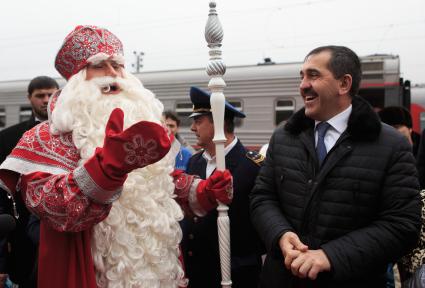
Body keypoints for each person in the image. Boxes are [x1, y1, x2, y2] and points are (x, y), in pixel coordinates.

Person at [0, 25, 232, 288]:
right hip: (92, 274)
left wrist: (200, 191)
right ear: (77, 79)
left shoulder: (139, 124)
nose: (113, 74)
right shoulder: (47, 136)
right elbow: (53, 208)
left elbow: (159, 186)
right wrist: (104, 171)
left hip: (155, 272)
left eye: (117, 65)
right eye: (99, 65)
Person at [249, 45, 421, 288]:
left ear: (344, 84)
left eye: (313, 75)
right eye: (302, 76)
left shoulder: (390, 145)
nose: (303, 85)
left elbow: (402, 224)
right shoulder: (284, 137)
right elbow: (262, 197)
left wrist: (331, 256)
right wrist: (281, 234)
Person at [179, 86, 265, 288]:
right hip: (198, 272)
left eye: (198, 121)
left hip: (236, 274)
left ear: (219, 123)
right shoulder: (194, 162)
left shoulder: (253, 166)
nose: (192, 128)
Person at [0, 76, 59, 288]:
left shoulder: (77, 134)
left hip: (66, 237)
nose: (46, 100)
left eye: (50, 94)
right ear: (29, 98)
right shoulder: (8, 138)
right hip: (21, 238)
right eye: (39, 95)